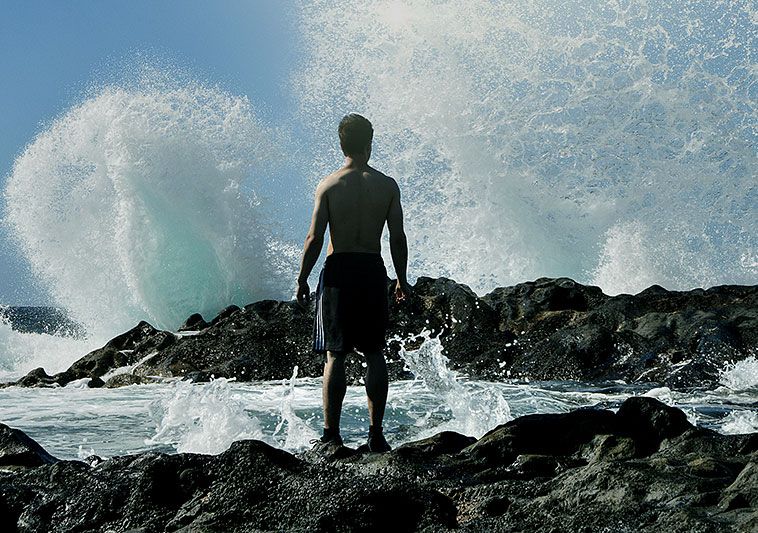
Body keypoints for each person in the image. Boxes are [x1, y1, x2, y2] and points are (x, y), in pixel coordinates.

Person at [296, 113, 411, 453]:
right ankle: (376, 436)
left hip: (339, 271)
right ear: (368, 144)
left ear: (341, 144)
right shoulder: (387, 185)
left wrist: (302, 278)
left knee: (335, 355)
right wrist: (402, 280)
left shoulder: (329, 185)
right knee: (374, 352)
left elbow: (315, 238)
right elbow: (397, 237)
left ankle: (332, 435)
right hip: (372, 271)